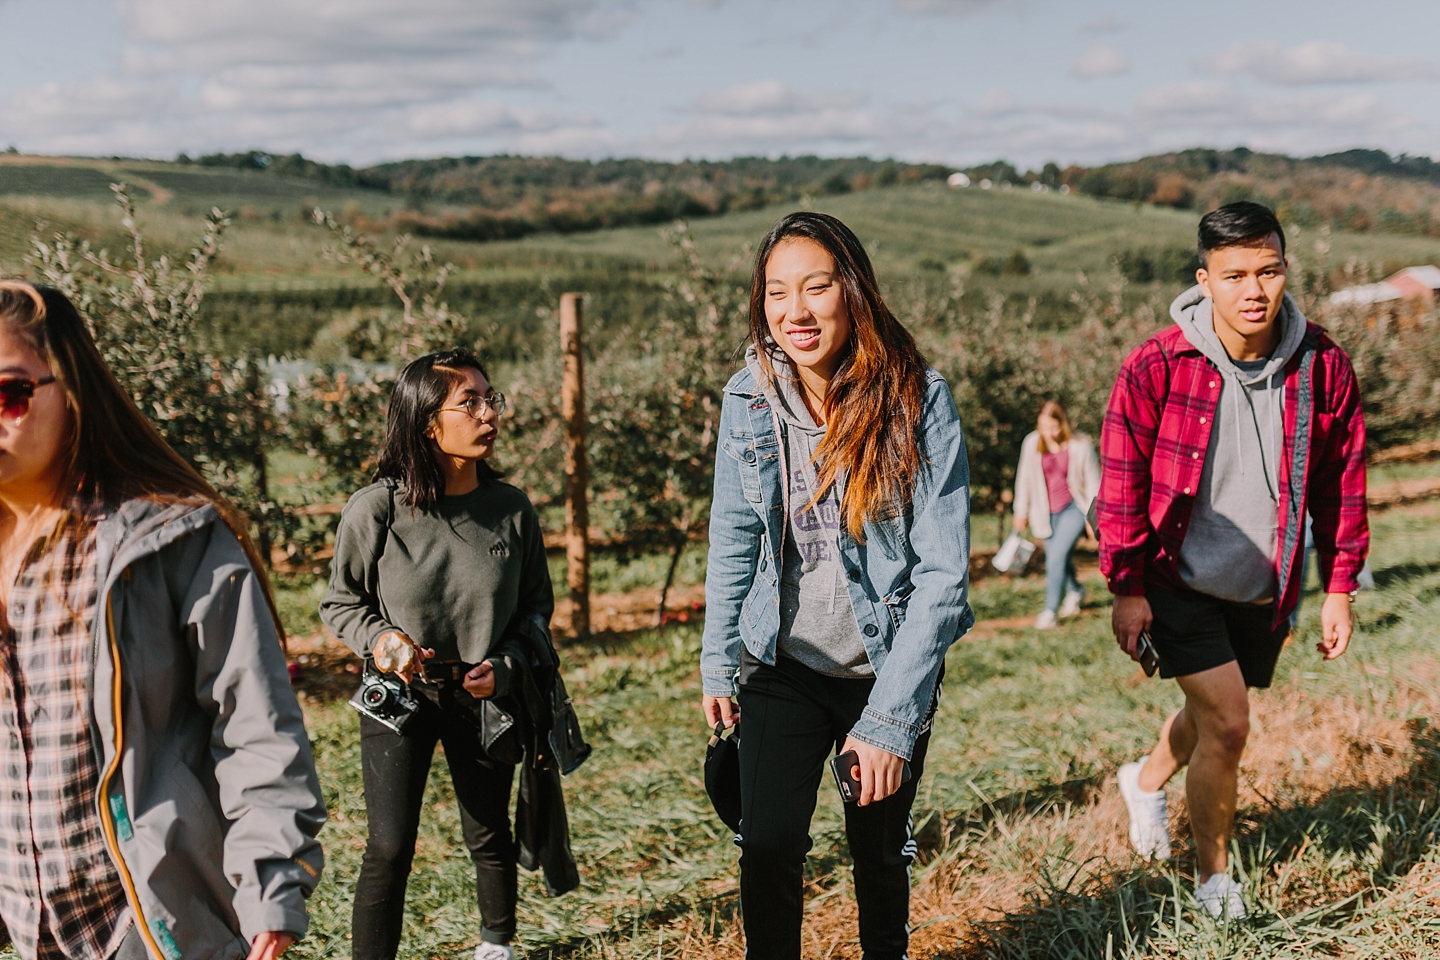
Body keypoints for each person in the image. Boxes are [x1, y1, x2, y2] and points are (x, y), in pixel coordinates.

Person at [0, 281, 325, 960]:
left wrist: (270, 882)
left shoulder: (168, 541)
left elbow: (254, 723)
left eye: (8, 395)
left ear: (73, 393)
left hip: (147, 925)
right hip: (26, 928)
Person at [700, 212, 973, 959]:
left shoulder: (918, 400)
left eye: (816, 287)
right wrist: (718, 660)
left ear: (852, 292)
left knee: (879, 856)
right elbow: (735, 537)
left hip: (883, 668)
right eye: (776, 293)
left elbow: (943, 579)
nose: (796, 311)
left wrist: (889, 723)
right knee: (768, 849)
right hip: (782, 663)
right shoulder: (748, 399)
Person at [1098, 202, 1368, 920]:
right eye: (1235, 275)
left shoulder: (1322, 365)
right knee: (1230, 722)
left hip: (1263, 584)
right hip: (1175, 574)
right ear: (1204, 281)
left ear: (1285, 272)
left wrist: (1340, 585)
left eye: (1269, 271)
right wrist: (1126, 587)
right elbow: (1121, 481)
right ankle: (1213, 883)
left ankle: (1144, 781)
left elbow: (1343, 479)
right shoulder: (1157, 365)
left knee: (1209, 711)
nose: (1254, 290)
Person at [321, 349, 557, 960]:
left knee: (487, 832)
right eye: (469, 403)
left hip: (483, 696)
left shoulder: (511, 510)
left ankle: (495, 946)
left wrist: (503, 669)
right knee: (389, 846)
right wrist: (381, 640)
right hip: (400, 697)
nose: (489, 414)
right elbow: (339, 604)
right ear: (429, 422)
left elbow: (535, 609)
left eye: (490, 398)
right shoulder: (377, 508)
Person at [1011, 400, 1100, 628]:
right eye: (1043, 426)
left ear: (1064, 424)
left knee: (1056, 558)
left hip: (1074, 509)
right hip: (1044, 511)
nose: (1048, 433)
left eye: (1053, 427)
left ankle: (1050, 611)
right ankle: (1076, 590)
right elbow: (1025, 478)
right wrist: (1020, 511)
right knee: (1059, 558)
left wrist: (1093, 518)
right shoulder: (1031, 443)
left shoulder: (1081, 446)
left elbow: (1093, 484)